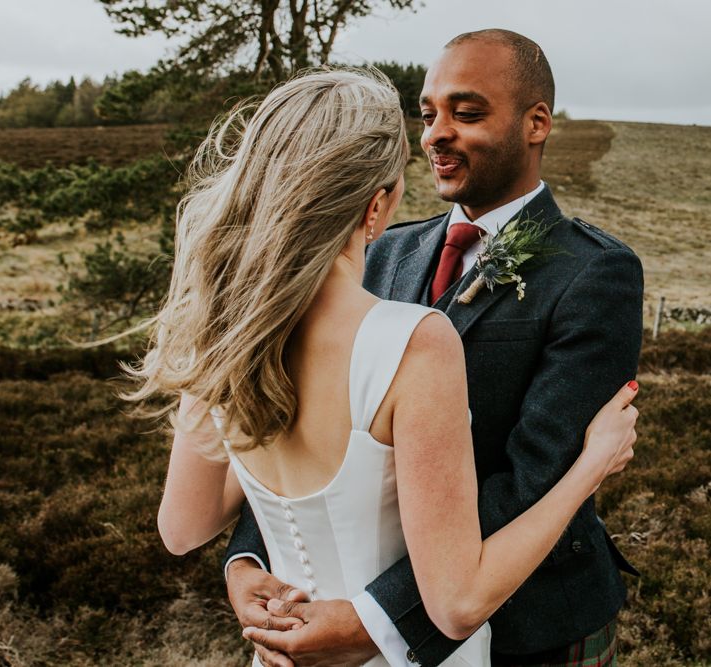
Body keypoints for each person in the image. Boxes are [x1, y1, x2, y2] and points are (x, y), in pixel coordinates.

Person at [223, 31, 645, 667]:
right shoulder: (385, 249)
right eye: (427, 114)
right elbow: (308, 416)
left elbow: (538, 473)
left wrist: (373, 619)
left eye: (466, 113)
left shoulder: (594, 273)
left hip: (533, 628)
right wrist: (253, 558)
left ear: (536, 123)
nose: (435, 135)